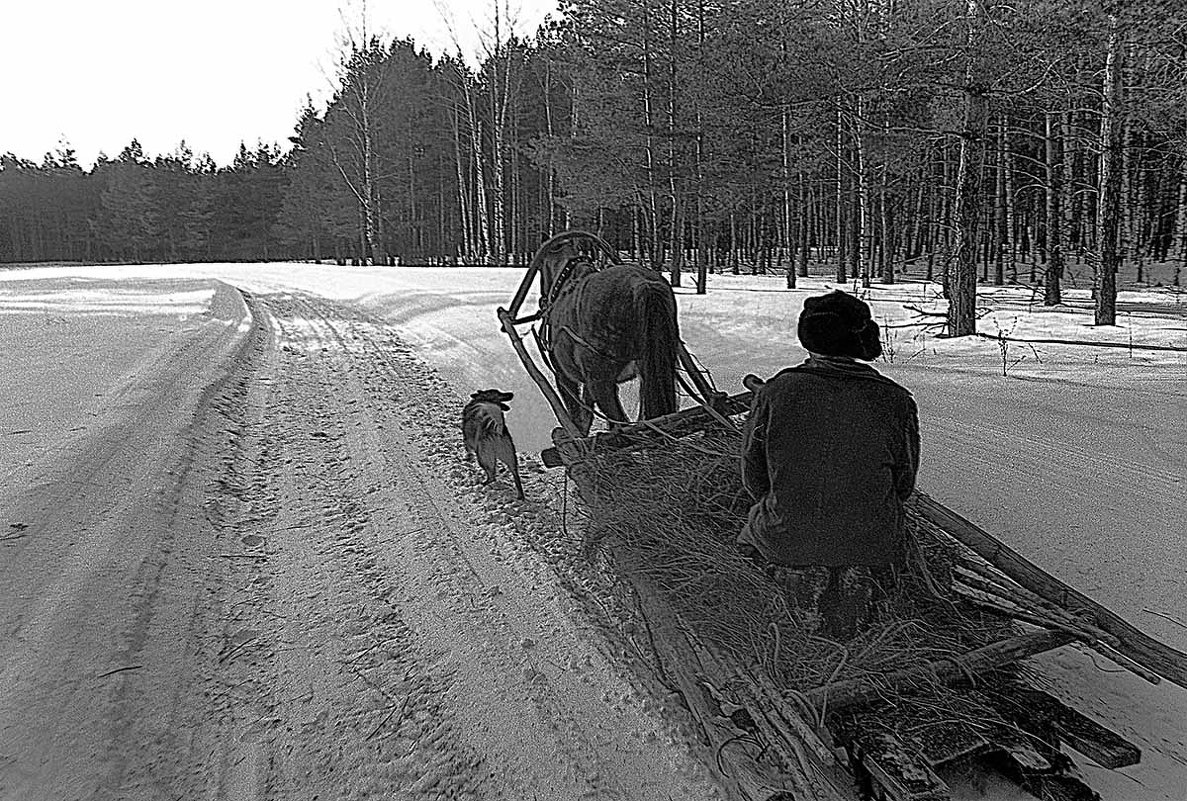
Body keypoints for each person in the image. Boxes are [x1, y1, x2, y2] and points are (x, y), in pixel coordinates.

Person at [738, 290, 920, 639]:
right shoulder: (896, 400)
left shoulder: (775, 393)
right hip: (872, 544)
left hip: (786, 540)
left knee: (750, 534)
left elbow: (754, 479)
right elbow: (903, 486)